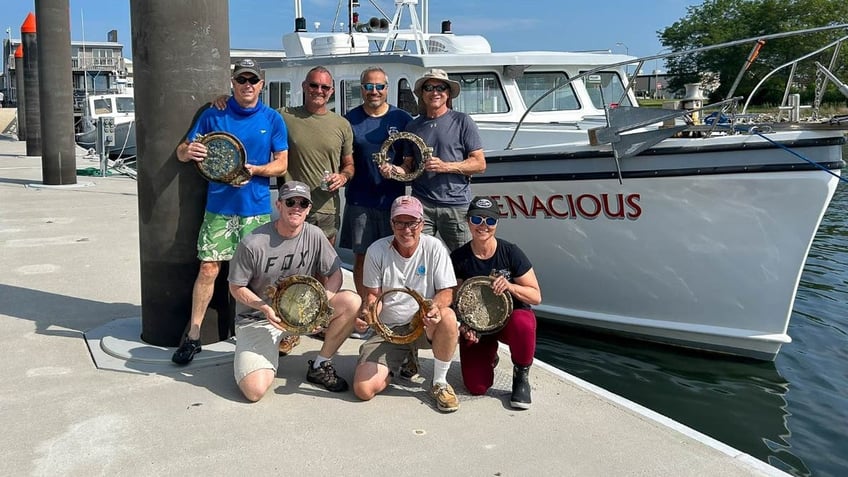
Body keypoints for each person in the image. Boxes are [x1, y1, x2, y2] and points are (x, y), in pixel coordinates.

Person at [173, 58, 289, 365]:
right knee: (209, 269)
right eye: (242, 80)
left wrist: (259, 169)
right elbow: (183, 151)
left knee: (259, 276)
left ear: (261, 85)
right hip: (220, 208)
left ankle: (259, 332)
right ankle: (194, 336)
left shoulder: (273, 118)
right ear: (233, 83)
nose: (247, 85)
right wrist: (189, 151)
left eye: (253, 80)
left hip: (255, 209)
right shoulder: (215, 113)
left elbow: (282, 163)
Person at [228, 181, 360, 402]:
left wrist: (319, 304)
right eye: (290, 202)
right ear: (279, 205)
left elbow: (335, 273)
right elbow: (236, 287)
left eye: (302, 203)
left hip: (302, 312)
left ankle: (320, 364)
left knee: (351, 302)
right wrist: (263, 307)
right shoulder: (253, 243)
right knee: (254, 391)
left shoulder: (315, 235)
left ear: (308, 209)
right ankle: (257, 354)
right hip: (260, 318)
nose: (296, 207)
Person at [352, 195, 461, 412]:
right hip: (389, 329)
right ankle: (401, 360)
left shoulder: (434, 247)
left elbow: (446, 292)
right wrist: (368, 314)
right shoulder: (376, 250)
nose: (406, 229)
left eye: (412, 222)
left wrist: (434, 307)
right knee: (363, 389)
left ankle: (439, 382)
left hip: (422, 323)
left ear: (421, 223)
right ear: (391, 224)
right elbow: (373, 296)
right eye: (399, 223)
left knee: (448, 316)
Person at [340, 66, 413, 336]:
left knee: (394, 258)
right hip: (359, 199)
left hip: (393, 201)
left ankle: (391, 312)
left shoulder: (402, 118)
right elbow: (343, 160)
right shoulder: (349, 120)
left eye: (379, 86)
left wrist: (396, 171)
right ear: (361, 89)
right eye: (369, 86)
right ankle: (365, 313)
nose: (374, 92)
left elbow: (409, 162)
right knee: (363, 257)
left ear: (387, 88)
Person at [450, 196, 542, 409]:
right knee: (476, 387)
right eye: (476, 219)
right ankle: (489, 357)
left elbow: (536, 296)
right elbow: (454, 301)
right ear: (468, 221)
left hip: (509, 320)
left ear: (497, 223)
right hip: (478, 327)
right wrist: (464, 327)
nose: (483, 226)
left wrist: (510, 286)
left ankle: (521, 375)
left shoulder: (510, 252)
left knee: (524, 322)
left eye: (490, 221)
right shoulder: (459, 258)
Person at [382, 68, 486, 252]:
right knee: (419, 256)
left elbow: (479, 164)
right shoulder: (413, 126)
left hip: (456, 206)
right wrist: (393, 171)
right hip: (422, 205)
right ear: (422, 93)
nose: (435, 92)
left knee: (463, 260)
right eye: (429, 87)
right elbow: (409, 167)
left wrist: (446, 166)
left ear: (448, 93)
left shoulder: (463, 121)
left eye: (441, 88)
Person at [279, 66, 355, 245]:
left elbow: (349, 165)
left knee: (324, 269)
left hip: (326, 209)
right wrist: (226, 100)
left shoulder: (342, 124)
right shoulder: (284, 116)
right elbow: (253, 113)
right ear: (304, 86)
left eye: (325, 87)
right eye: (314, 85)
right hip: (293, 207)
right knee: (292, 267)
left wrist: (343, 177)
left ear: (332, 91)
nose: (319, 91)